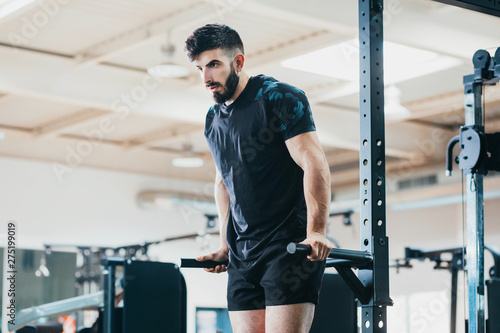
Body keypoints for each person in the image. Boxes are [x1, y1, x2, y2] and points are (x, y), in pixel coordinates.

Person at [184, 23, 332, 333]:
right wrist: (224, 245)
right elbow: (223, 182)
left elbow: (312, 159)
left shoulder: (279, 97)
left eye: (213, 64)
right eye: (200, 68)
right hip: (242, 254)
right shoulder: (213, 119)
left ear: (237, 62)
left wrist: (317, 230)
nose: (206, 77)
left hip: (288, 248)